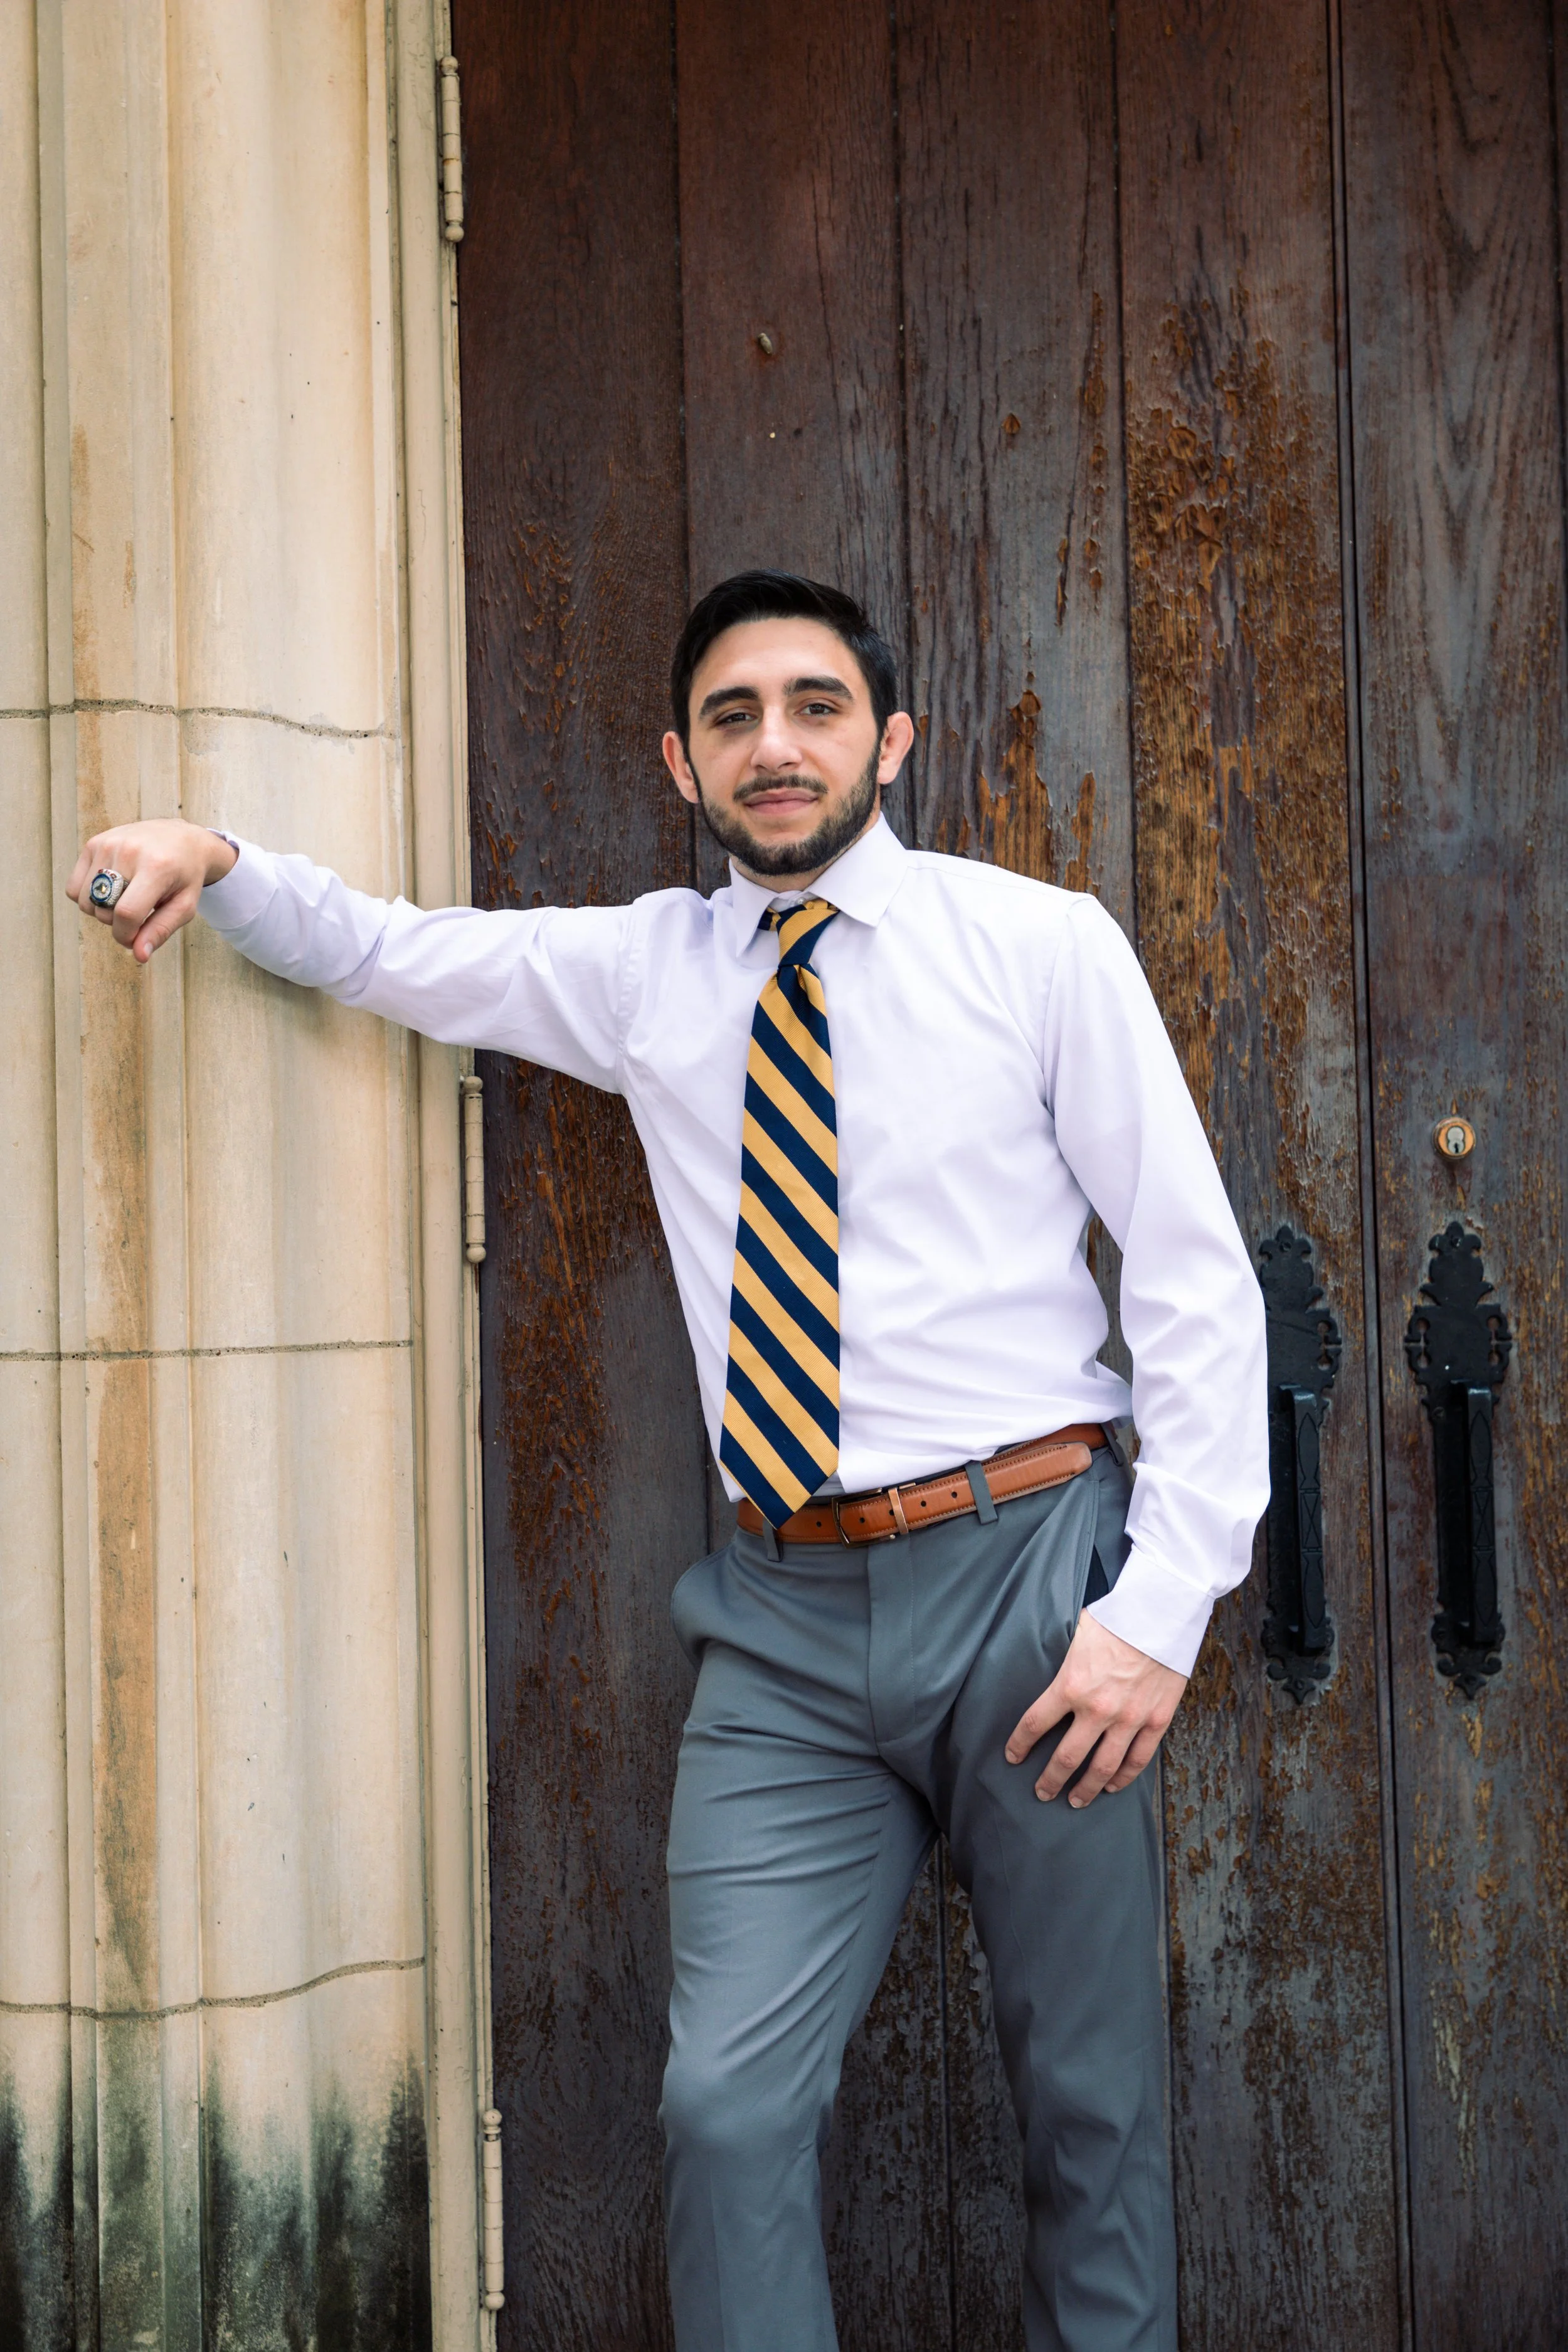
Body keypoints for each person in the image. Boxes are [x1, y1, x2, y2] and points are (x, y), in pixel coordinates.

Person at [70, 569, 1268, 2352]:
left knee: (1089, 2108)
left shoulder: (1037, 944)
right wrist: (222, 859)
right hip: (781, 1625)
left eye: (814, 706)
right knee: (724, 2106)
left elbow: (1190, 1278)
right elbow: (402, 952)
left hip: (1031, 1583)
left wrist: (1159, 1608)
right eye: (733, 716)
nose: (775, 745)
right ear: (679, 762)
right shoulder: (648, 971)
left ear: (890, 741)